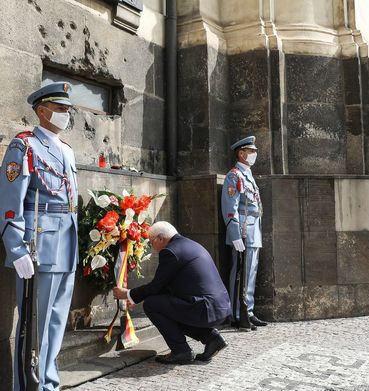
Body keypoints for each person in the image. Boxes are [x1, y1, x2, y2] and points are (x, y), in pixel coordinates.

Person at [0, 82, 82, 391]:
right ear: (42, 111)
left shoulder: (68, 151)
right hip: (38, 245)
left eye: (67, 109)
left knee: (57, 320)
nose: (66, 114)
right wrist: (15, 247)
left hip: (67, 241)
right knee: (35, 323)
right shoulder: (24, 146)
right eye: (60, 109)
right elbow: (9, 199)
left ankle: (49, 386)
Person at [112, 222, 232, 365]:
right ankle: (212, 340)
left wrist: (128, 294)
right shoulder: (190, 245)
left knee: (152, 305)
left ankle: (181, 351)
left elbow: (157, 286)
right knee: (164, 307)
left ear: (160, 238)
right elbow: (167, 286)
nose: (153, 248)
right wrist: (140, 297)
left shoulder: (170, 251)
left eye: (151, 242)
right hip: (219, 307)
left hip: (204, 308)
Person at [220, 135, 268, 330]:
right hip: (243, 231)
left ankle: (248, 310)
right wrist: (235, 235)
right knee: (241, 272)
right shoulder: (234, 175)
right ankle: (237, 313)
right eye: (251, 152)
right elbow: (230, 208)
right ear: (241, 153)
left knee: (251, 273)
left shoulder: (247, 175)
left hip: (253, 229)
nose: (254, 155)